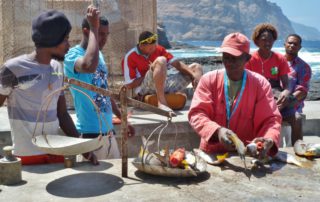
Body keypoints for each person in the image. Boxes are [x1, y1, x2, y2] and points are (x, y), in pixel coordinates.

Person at [0, 9, 91, 165]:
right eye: (65, 39)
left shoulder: (57, 68)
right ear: (52, 40)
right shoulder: (13, 69)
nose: (68, 45)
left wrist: (83, 148)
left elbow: (62, 114)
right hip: (27, 156)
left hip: (55, 153)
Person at [188, 32, 281, 158]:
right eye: (226, 56)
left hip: (247, 154)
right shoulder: (208, 80)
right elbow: (197, 113)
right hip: (211, 153)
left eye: (235, 57)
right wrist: (217, 131)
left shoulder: (260, 84)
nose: (229, 62)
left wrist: (269, 138)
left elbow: (271, 119)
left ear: (247, 58)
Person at [64, 6, 134, 162]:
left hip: (109, 133)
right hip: (90, 136)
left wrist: (122, 119)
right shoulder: (72, 55)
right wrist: (94, 28)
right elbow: (88, 66)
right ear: (85, 31)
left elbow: (105, 92)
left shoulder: (99, 56)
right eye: (100, 34)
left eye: (106, 34)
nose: (104, 39)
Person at [122, 31, 203, 113]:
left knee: (196, 68)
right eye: (150, 48)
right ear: (141, 46)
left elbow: (177, 64)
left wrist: (193, 76)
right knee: (161, 60)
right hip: (145, 88)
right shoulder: (130, 56)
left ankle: (200, 101)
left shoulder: (158, 49)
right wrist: (154, 74)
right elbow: (129, 84)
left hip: (163, 84)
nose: (154, 50)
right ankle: (161, 103)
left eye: (154, 47)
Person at [246, 23, 291, 111]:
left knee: (296, 117)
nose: (267, 43)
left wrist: (286, 91)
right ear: (257, 41)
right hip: (255, 92)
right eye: (264, 39)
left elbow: (286, 83)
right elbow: (245, 82)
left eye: (270, 40)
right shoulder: (249, 59)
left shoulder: (280, 58)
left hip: (275, 92)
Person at [282, 34, 312, 145]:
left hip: (292, 107)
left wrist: (285, 102)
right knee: (274, 148)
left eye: (295, 44)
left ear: (300, 47)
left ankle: (300, 153)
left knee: (292, 146)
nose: (292, 45)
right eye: (290, 43)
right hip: (275, 106)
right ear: (284, 44)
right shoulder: (276, 62)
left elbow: (302, 90)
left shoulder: (304, 67)